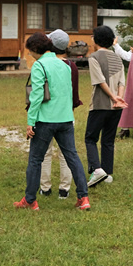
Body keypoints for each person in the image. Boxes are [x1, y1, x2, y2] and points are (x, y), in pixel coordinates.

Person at [15, 32, 91, 211]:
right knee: (72, 156)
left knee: (35, 159)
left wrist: (30, 121)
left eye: (29, 51)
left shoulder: (39, 65)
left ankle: (30, 200)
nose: (29, 54)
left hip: (45, 120)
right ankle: (83, 197)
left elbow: (37, 95)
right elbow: (68, 92)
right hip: (65, 119)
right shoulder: (65, 65)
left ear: (35, 49)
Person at [39, 29, 83, 200]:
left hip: (46, 116)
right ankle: (64, 188)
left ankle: (45, 187)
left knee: (44, 152)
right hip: (66, 116)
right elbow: (75, 95)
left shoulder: (43, 64)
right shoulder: (71, 66)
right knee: (67, 153)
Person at [85, 25, 127, 187]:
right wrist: (119, 99)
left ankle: (97, 170)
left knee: (90, 138)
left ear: (97, 40)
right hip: (116, 107)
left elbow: (100, 81)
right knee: (108, 140)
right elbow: (122, 81)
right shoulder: (117, 57)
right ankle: (108, 173)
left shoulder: (94, 57)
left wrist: (111, 97)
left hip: (100, 105)